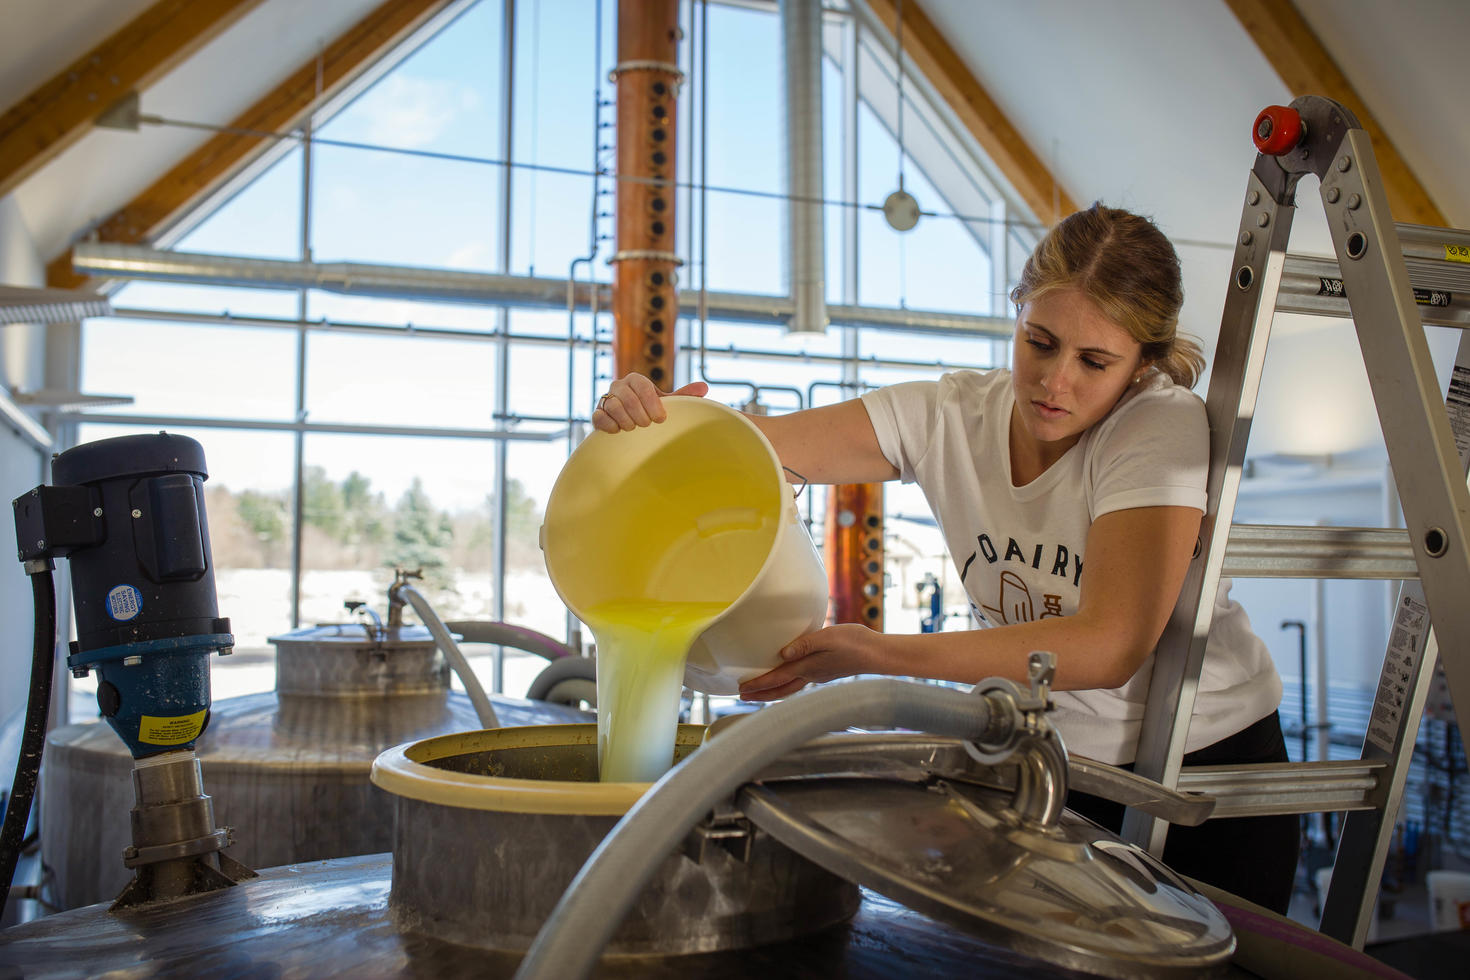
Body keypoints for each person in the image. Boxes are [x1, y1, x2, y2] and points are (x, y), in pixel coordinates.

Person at [591, 202, 1297, 913]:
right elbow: (755, 447)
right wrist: (661, 422)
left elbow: (1109, 644)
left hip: (1201, 782)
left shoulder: (1158, 424)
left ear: (1143, 364)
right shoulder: (950, 415)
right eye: (1040, 342)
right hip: (1052, 770)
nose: (1056, 382)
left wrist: (879, 656)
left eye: (1094, 361)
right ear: (1017, 313)